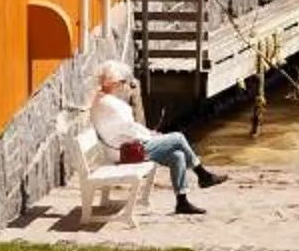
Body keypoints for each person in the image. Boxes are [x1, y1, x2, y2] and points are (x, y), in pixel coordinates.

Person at [86, 61, 227, 216]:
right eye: (121, 82)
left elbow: (124, 129)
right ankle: (203, 175)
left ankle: (182, 202)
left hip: (123, 148)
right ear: (113, 83)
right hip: (128, 151)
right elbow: (129, 129)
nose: (123, 85)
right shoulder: (111, 104)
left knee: (177, 156)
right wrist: (149, 135)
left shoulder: (101, 101)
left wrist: (147, 133)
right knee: (178, 138)